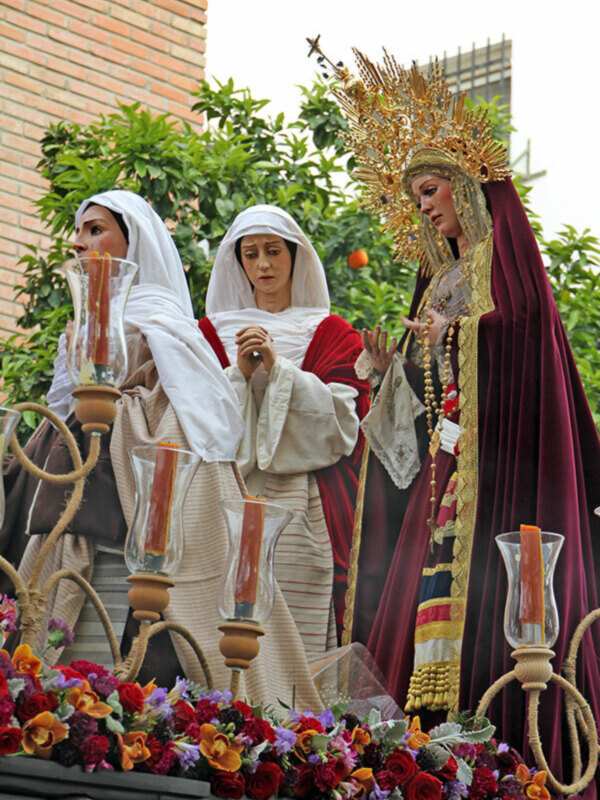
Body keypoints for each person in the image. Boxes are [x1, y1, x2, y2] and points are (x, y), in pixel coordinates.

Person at [323, 51, 600, 790]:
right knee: (415, 605)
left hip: (497, 478)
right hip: (440, 480)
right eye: (414, 197)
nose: (423, 207)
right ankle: (419, 759)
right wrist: (390, 377)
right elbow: (427, 398)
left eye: (431, 189)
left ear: (470, 187)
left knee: (480, 608)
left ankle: (499, 756)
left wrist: (450, 336)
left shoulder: (497, 270)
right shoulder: (439, 280)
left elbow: (517, 335)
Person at [2, 190, 323, 710]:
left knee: (138, 628)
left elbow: (202, 412)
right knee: (63, 623)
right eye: (79, 231)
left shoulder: (160, 315)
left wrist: (120, 413)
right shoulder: (82, 319)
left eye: (96, 230)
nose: (80, 243)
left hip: (143, 492)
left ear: (133, 242)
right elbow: (61, 409)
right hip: (81, 486)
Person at [199, 204, 369, 658]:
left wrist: (280, 371)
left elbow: (344, 428)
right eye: (250, 254)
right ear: (238, 263)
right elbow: (193, 417)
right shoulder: (209, 333)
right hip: (225, 494)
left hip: (306, 499)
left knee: (293, 632)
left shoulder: (333, 334)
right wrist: (238, 375)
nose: (263, 265)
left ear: (295, 256)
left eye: (273, 251)